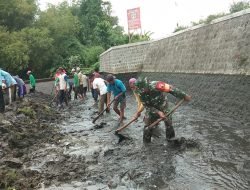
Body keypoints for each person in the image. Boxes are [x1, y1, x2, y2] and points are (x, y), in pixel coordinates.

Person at [129, 77, 191, 143]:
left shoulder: (157, 85)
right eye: (142, 89)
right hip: (151, 108)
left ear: (147, 85)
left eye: (144, 88)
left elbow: (171, 89)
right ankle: (146, 144)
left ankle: (171, 139)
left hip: (162, 105)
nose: (144, 91)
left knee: (168, 122)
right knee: (147, 126)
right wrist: (158, 112)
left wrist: (184, 95)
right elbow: (147, 106)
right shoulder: (139, 92)